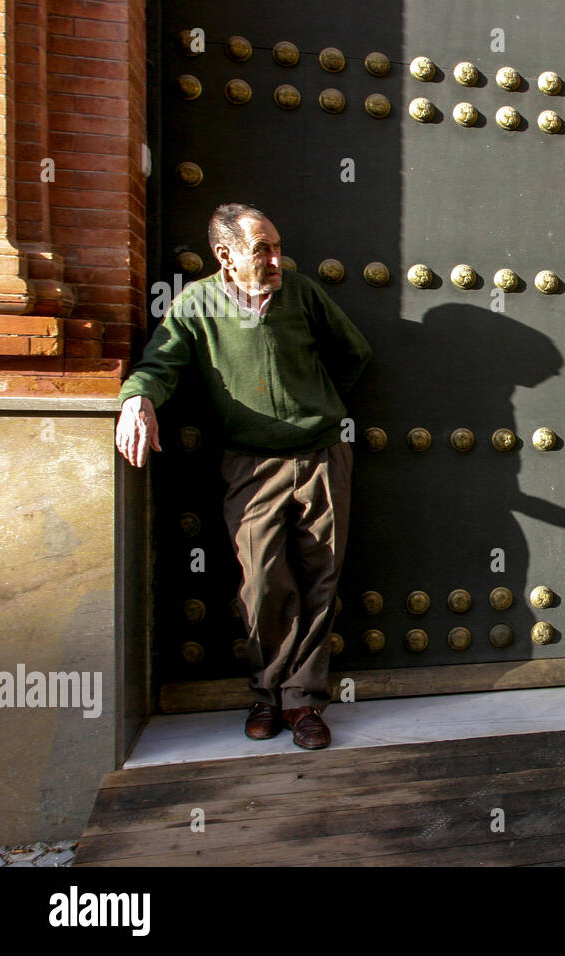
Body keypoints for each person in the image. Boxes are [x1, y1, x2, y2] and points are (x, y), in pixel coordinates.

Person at [115, 203, 371, 750]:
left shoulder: (301, 293)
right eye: (263, 249)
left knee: (320, 580)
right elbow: (161, 365)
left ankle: (304, 702)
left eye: (276, 246)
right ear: (225, 255)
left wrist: (319, 403)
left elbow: (353, 352)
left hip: (322, 456)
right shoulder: (195, 305)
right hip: (251, 465)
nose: (276, 258)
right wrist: (137, 399)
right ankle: (267, 690)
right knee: (262, 584)